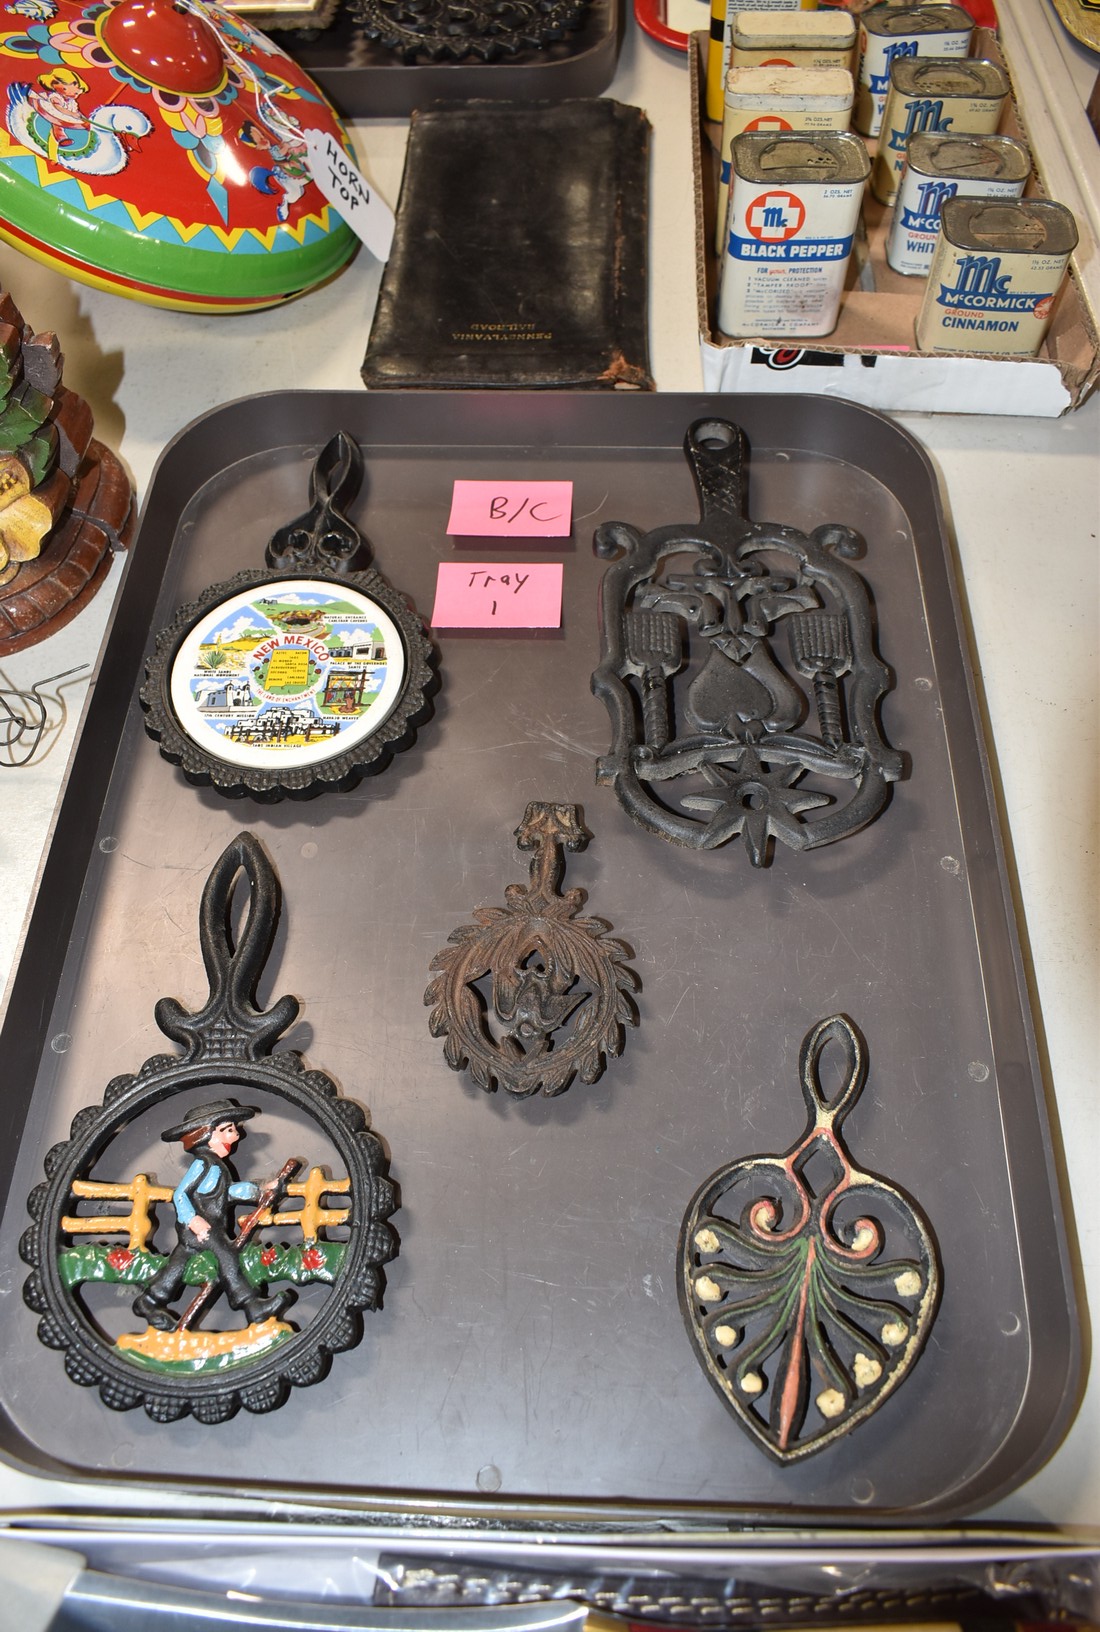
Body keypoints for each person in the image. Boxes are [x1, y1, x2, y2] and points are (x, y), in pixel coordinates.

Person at [132, 1099, 295, 1332]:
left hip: (206, 1228)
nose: (236, 1134)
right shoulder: (203, 1164)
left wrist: (262, 1189)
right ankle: (252, 1305)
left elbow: (227, 1193)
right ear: (207, 1135)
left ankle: (149, 1300)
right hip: (201, 1229)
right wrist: (193, 1220)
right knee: (227, 1257)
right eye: (227, 1129)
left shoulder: (216, 1165)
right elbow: (180, 1195)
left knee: (177, 1264)